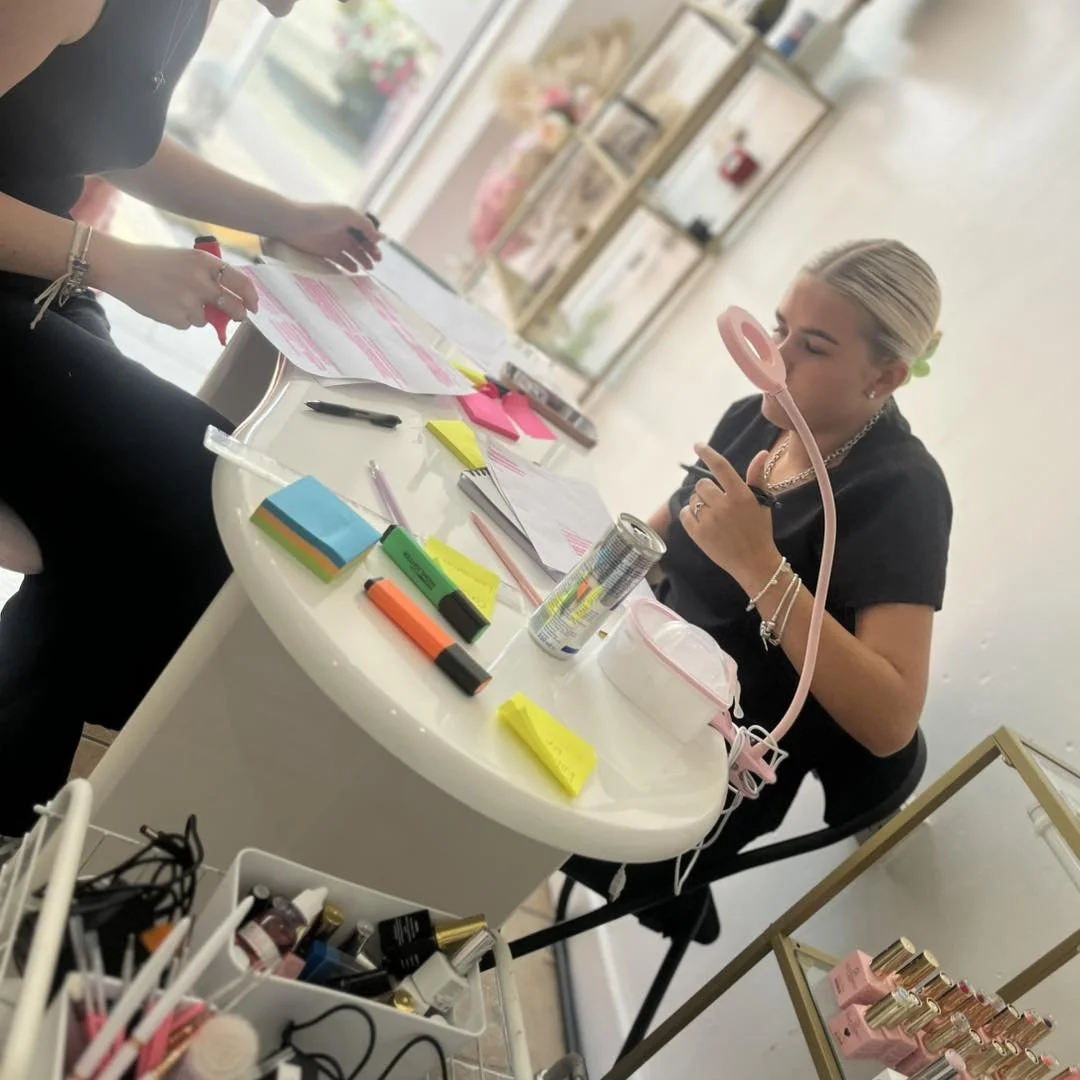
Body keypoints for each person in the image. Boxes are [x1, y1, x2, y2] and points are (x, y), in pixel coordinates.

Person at [0, 0, 383, 836]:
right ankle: (25, 820)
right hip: (27, 279)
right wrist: (107, 260)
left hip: (30, 286)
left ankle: (21, 818)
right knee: (196, 519)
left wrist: (285, 218)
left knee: (163, 514)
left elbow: (104, 132)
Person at [565, 239, 952, 943]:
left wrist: (761, 567)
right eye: (776, 329)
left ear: (886, 375)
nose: (774, 357)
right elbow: (664, 536)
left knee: (502, 774)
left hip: (702, 763)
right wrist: (573, 575)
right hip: (627, 674)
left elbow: (891, 718)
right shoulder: (755, 416)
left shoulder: (901, 491)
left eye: (811, 346)